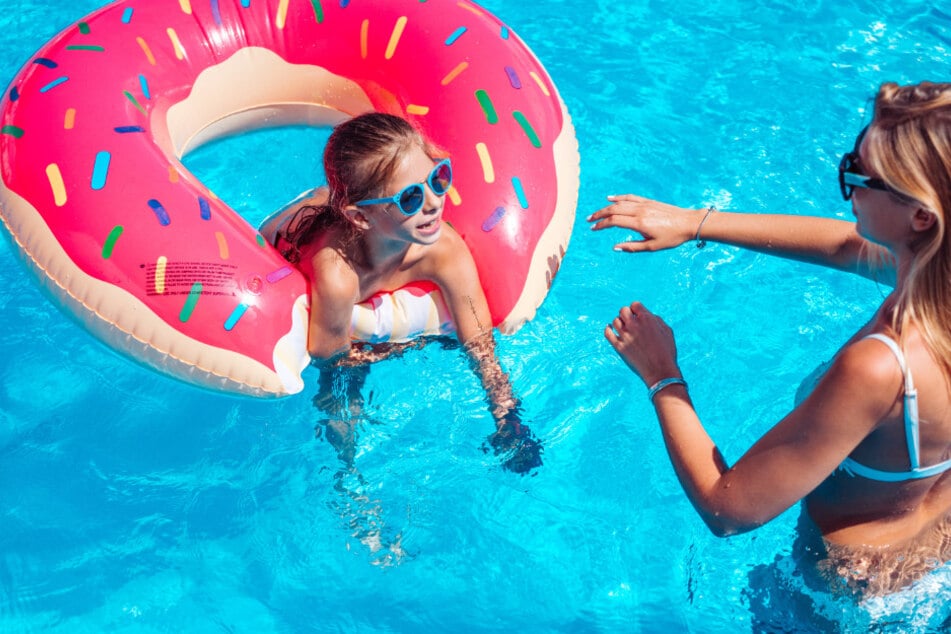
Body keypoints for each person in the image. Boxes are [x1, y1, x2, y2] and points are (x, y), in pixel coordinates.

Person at [587, 81, 951, 596]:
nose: (844, 182)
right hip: (934, 551)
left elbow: (728, 509)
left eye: (858, 174)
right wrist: (696, 223)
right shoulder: (938, 278)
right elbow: (850, 246)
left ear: (920, 215)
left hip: (847, 593)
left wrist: (661, 374)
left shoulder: (882, 368)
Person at [259, 112, 541, 475]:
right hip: (294, 230)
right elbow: (332, 363)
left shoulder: (443, 249)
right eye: (410, 198)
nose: (434, 202)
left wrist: (506, 416)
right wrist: (390, 350)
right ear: (361, 218)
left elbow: (480, 341)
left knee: (454, 343)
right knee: (346, 400)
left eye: (438, 179)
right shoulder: (339, 276)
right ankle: (348, 481)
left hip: (349, 209)